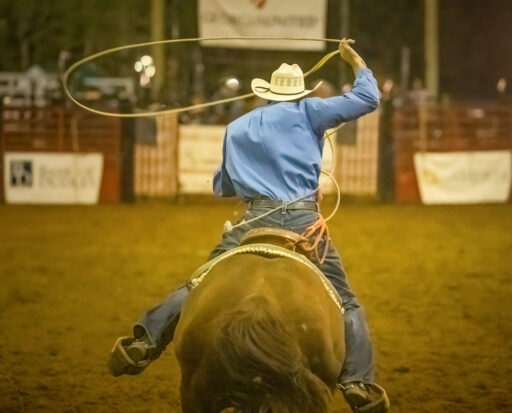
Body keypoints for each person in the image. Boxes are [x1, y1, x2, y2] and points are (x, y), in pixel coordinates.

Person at [108, 41, 389, 412]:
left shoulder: (238, 126)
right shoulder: (311, 112)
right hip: (304, 221)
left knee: (199, 283)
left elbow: (224, 185)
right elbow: (368, 98)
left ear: (268, 93)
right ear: (298, 93)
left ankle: (145, 341)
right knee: (347, 301)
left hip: (254, 218)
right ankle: (357, 381)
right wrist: (356, 62)